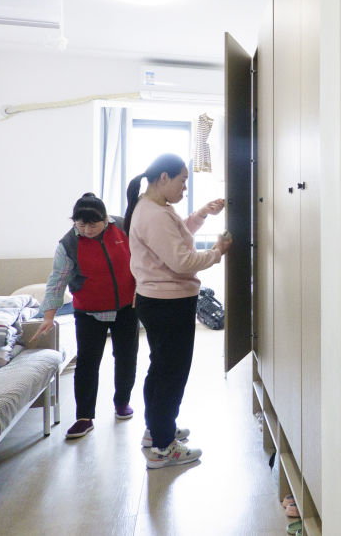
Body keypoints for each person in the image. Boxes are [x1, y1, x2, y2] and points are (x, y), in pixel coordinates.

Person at [123, 153, 231, 469]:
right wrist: (216, 252)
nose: (185, 188)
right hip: (167, 303)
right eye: (183, 181)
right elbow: (181, 260)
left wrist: (201, 214)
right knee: (171, 373)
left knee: (161, 369)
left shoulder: (153, 208)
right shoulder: (154, 214)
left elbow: (175, 235)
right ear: (163, 178)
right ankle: (163, 447)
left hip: (159, 301)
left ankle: (157, 430)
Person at [32, 193, 139, 439]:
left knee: (126, 357)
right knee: (88, 363)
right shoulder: (69, 243)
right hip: (89, 311)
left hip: (126, 307)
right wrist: (49, 315)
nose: (87, 230)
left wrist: (141, 289)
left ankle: (122, 402)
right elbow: (57, 280)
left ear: (105, 219)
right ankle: (84, 417)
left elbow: (142, 260)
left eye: (93, 224)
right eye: (81, 224)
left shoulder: (123, 227)